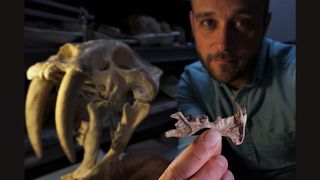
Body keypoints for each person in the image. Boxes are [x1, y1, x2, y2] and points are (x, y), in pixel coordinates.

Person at [161, 0, 295, 179]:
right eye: (208, 22)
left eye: (242, 22)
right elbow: (192, 150)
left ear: (264, 22)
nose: (222, 45)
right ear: (193, 23)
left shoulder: (294, 70)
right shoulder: (192, 80)